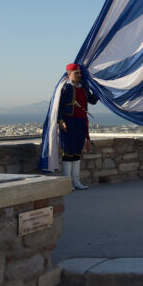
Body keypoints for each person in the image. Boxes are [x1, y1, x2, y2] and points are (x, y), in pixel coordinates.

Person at [57, 62, 97, 190]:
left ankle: (76, 181)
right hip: (69, 122)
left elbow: (92, 100)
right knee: (68, 151)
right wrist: (60, 120)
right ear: (69, 74)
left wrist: (99, 89)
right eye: (76, 73)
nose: (79, 75)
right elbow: (58, 106)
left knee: (77, 151)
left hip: (81, 122)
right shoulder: (65, 88)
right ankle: (67, 182)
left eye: (80, 73)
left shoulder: (83, 87)